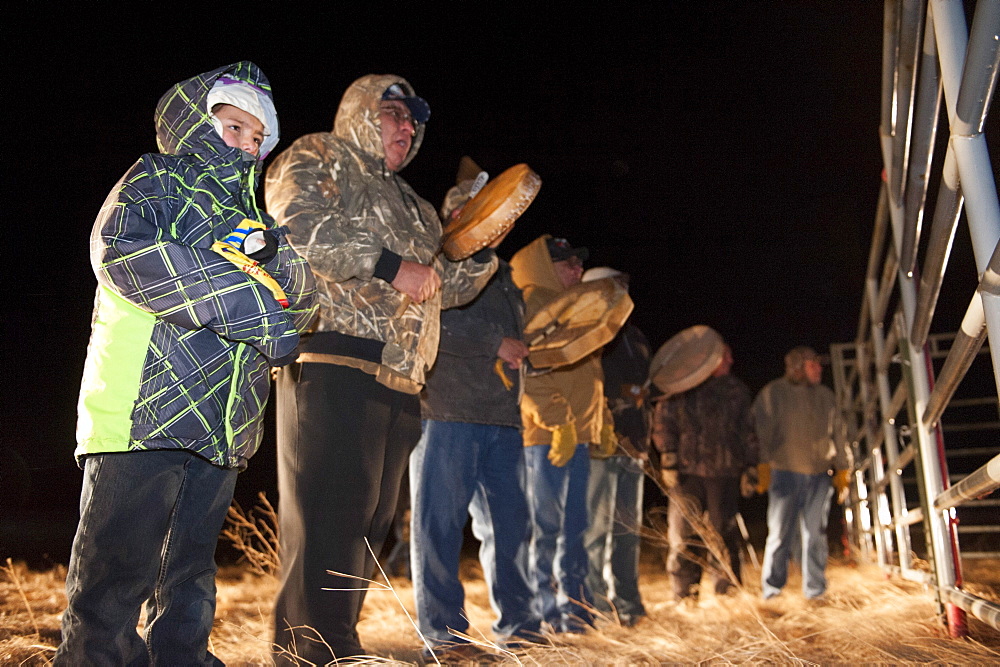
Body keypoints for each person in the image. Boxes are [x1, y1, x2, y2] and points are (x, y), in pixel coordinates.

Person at [55, 62, 317, 665]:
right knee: (111, 590)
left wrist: (282, 267)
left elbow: (302, 304)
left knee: (190, 589)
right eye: (233, 128)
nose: (247, 148)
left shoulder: (259, 225)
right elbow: (123, 253)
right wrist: (253, 304)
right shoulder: (155, 181)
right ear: (196, 122)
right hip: (141, 416)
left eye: (258, 139)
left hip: (221, 430)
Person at [264, 75, 497, 662]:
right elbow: (297, 224)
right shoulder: (321, 154)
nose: (407, 127)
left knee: (369, 528)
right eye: (393, 113)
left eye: (414, 120)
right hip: (335, 359)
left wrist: (481, 240)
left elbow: (446, 285)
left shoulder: (415, 206)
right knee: (328, 519)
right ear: (363, 113)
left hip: (399, 376)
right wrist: (392, 266)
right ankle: (310, 652)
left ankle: (334, 642)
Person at [409, 159, 541, 660]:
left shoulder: (503, 274)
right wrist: (497, 342)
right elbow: (427, 322)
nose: (495, 220)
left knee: (511, 530)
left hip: (502, 419)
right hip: (446, 411)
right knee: (437, 529)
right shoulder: (436, 258)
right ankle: (443, 637)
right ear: (456, 214)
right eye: (480, 209)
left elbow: (514, 343)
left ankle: (521, 628)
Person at [510, 234, 613, 634]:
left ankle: (575, 609)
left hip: (577, 436)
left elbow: (590, 374)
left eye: (577, 263)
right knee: (546, 529)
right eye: (567, 264)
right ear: (543, 266)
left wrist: (599, 420)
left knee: (575, 529)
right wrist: (560, 422)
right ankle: (547, 610)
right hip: (546, 439)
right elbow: (530, 372)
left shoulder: (570, 308)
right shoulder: (534, 302)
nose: (577, 269)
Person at [651, 341, 758, 601]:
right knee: (685, 535)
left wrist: (752, 467)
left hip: (725, 473)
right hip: (687, 474)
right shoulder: (682, 386)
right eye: (726, 355)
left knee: (724, 534)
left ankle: (728, 592)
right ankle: (685, 594)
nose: (731, 360)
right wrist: (668, 459)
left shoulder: (736, 390)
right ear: (709, 358)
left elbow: (748, 431)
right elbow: (664, 422)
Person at [580, 267, 650, 626]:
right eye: (614, 288)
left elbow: (646, 388)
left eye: (624, 287)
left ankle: (629, 604)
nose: (622, 294)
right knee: (595, 530)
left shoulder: (635, 337)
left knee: (627, 532)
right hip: (600, 444)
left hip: (633, 447)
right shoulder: (588, 330)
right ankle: (597, 607)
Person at [753, 346, 851, 600]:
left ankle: (816, 591)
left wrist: (843, 467)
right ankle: (772, 590)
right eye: (812, 365)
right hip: (784, 473)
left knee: (815, 534)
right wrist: (761, 464)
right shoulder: (774, 393)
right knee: (779, 534)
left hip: (819, 475)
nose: (819, 369)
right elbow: (760, 432)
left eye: (818, 364)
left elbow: (839, 434)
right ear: (797, 367)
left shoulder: (826, 396)